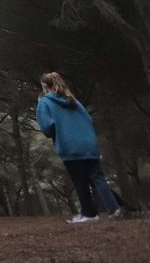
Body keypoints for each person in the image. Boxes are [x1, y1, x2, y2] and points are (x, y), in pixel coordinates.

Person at [37, 72, 122, 222]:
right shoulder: (73, 100)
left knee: (80, 180)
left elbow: (47, 128)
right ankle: (115, 210)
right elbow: (89, 120)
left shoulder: (44, 102)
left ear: (44, 86)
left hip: (69, 145)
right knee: (98, 178)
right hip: (89, 144)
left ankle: (89, 214)